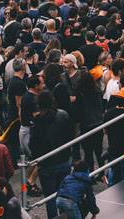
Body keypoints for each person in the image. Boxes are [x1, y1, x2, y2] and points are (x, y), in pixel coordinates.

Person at [30, 89, 74, 219]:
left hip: (47, 164)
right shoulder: (63, 115)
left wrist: (38, 158)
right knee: (64, 194)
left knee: (50, 198)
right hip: (64, 159)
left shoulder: (38, 121)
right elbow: (71, 134)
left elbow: (33, 145)